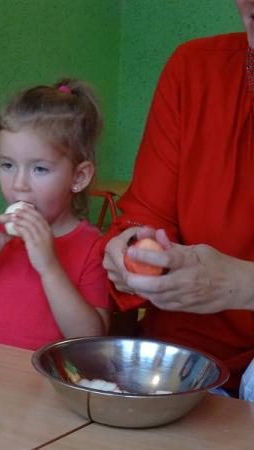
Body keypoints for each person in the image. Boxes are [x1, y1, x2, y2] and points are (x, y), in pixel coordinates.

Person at [102, 0, 254, 400]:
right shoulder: (194, 69)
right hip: (185, 359)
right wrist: (132, 250)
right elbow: (142, 218)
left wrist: (243, 284)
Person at [0, 79, 111, 350]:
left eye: (39, 169)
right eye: (8, 165)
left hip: (51, 374)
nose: (19, 184)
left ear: (78, 177)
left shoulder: (92, 247)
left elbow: (89, 341)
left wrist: (49, 267)